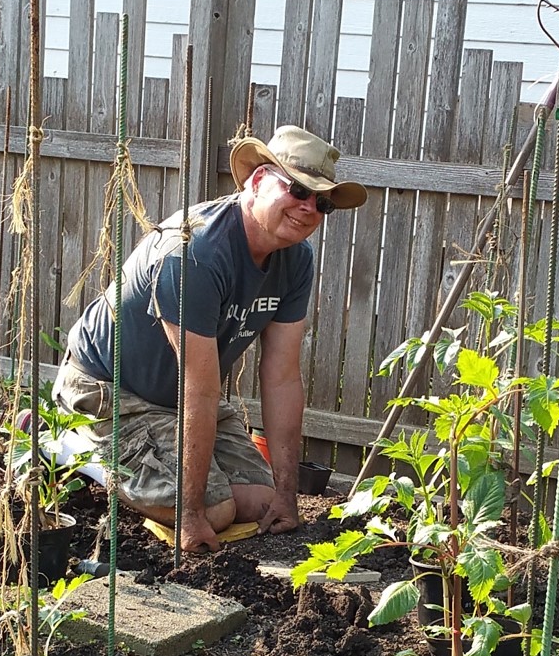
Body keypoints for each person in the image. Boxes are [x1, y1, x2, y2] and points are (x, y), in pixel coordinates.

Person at [55, 124, 367, 552]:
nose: (309, 207)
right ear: (258, 180)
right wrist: (190, 515)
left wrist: (287, 494)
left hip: (178, 399)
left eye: (323, 202)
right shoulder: (194, 251)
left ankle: (179, 484)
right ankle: (69, 448)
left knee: (261, 504)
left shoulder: (296, 260)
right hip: (109, 390)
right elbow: (199, 389)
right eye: (297, 189)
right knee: (213, 511)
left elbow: (281, 377)